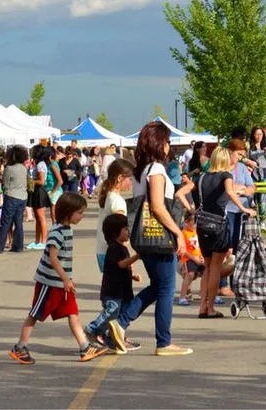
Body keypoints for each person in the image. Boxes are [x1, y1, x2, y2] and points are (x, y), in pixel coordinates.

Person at [113, 121, 192, 357]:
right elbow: (157, 206)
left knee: (158, 286)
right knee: (167, 288)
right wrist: (178, 232)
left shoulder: (140, 171)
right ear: (159, 144)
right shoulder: (156, 169)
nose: (169, 146)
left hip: (144, 237)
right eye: (167, 142)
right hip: (158, 237)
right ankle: (164, 341)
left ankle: (120, 323)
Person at [9, 192, 108, 365]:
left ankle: (84, 346)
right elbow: (53, 258)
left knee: (72, 313)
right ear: (68, 213)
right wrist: (65, 278)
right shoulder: (57, 232)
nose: (82, 216)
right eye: (80, 213)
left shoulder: (66, 229)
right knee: (35, 314)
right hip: (50, 282)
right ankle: (20, 347)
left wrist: (67, 279)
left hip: (62, 284)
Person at [184, 147, 257, 318]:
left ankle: (202, 306)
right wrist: (244, 208)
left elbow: (181, 193)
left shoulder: (201, 177)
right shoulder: (226, 176)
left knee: (207, 267)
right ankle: (210, 307)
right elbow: (230, 192)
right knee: (215, 267)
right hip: (218, 224)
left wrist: (191, 210)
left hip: (202, 225)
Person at [84, 214, 140, 350]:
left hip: (122, 290)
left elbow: (120, 267)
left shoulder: (122, 247)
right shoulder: (115, 248)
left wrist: (132, 275)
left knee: (119, 316)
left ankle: (112, 339)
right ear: (116, 233)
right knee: (111, 313)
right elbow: (121, 264)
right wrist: (137, 256)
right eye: (126, 229)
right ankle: (93, 329)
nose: (128, 232)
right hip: (113, 291)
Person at [95, 159, 133, 272]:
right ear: (120, 178)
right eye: (130, 179)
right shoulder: (117, 201)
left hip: (102, 249)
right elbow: (121, 231)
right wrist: (128, 258)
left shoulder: (108, 195)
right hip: (115, 253)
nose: (131, 183)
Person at [0, 146, 29, 253]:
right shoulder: (24, 168)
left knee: (5, 223)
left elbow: (4, 181)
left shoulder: (9, 168)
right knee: (18, 223)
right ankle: (18, 246)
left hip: (11, 196)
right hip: (22, 196)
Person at [226, 138, 256, 254]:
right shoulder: (222, 167)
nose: (240, 158)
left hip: (242, 209)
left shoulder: (242, 167)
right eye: (238, 154)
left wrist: (242, 191)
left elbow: (251, 187)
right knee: (229, 240)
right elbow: (226, 188)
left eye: (242, 155)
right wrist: (236, 187)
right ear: (230, 151)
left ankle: (236, 267)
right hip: (228, 208)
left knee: (240, 242)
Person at [28, 147, 53, 250]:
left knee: (41, 217)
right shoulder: (38, 164)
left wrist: (30, 181)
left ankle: (44, 241)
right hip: (35, 191)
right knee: (37, 218)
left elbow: (41, 181)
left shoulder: (40, 165)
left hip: (39, 191)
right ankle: (37, 240)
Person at [177, 212, 203, 306]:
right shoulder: (183, 233)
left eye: (195, 222)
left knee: (208, 272)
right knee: (190, 274)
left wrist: (202, 257)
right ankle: (182, 297)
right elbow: (183, 251)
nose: (194, 224)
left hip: (199, 257)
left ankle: (206, 294)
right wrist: (194, 259)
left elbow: (201, 247)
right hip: (188, 258)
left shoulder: (197, 232)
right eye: (192, 221)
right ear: (186, 222)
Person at [46, 148, 64, 224]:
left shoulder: (53, 165)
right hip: (52, 189)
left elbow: (60, 181)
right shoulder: (50, 164)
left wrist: (52, 192)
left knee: (54, 213)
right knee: (53, 213)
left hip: (55, 190)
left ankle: (56, 227)